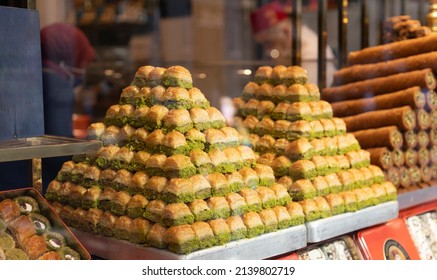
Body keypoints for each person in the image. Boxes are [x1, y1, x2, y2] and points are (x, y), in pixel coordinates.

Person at [40, 23, 95, 190]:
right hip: (46, 182)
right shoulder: (57, 86)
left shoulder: (33, 76)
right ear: (66, 57)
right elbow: (60, 151)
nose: (82, 69)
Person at [250, 1, 336, 85]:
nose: (267, 50)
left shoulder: (311, 51)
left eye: (269, 43)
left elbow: (303, 92)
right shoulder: (291, 49)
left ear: (286, 32)